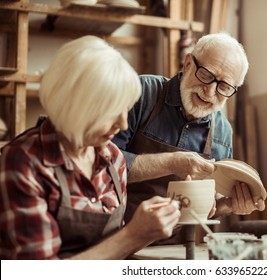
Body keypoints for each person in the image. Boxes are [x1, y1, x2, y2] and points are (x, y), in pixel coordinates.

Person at [0, 36, 180, 260]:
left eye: (125, 109)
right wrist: (132, 235)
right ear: (74, 105)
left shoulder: (112, 159)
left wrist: (150, 229)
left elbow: (114, 250)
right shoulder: (24, 162)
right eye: (111, 111)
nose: (123, 124)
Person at [112, 32, 266, 234]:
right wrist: (172, 162)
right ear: (187, 65)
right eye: (206, 75)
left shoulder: (222, 131)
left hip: (179, 249)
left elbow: (208, 206)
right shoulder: (142, 93)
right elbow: (102, 165)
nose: (210, 92)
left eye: (224, 86)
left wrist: (229, 204)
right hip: (121, 238)